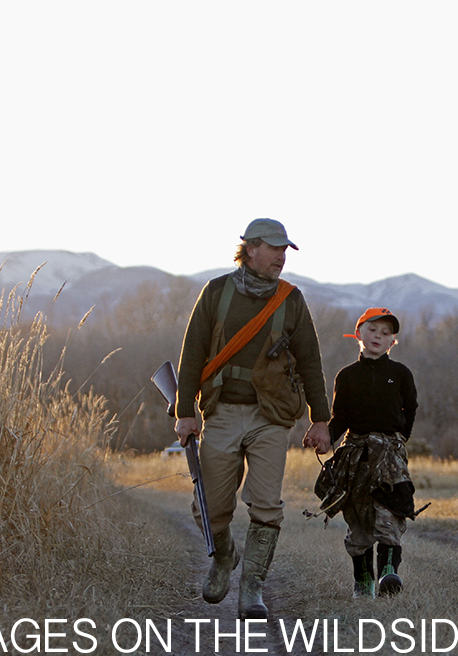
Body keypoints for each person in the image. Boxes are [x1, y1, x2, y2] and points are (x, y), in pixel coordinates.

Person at [173, 218, 331, 619]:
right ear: (251, 248)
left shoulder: (291, 299)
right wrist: (185, 412)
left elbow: (311, 362)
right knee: (209, 508)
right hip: (222, 412)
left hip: (272, 417)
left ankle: (252, 590)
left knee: (266, 506)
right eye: (274, 249)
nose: (281, 257)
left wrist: (320, 419)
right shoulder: (216, 292)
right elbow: (192, 355)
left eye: (285, 250)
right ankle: (225, 556)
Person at [320, 307, 419, 598]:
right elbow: (340, 417)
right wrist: (327, 439)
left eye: (386, 333)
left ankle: (389, 574)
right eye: (372, 330)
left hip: (390, 456)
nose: (378, 336)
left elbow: (410, 409)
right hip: (356, 455)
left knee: (391, 513)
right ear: (358, 333)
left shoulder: (400, 373)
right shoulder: (346, 376)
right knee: (360, 521)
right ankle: (363, 583)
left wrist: (401, 439)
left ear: (393, 342)